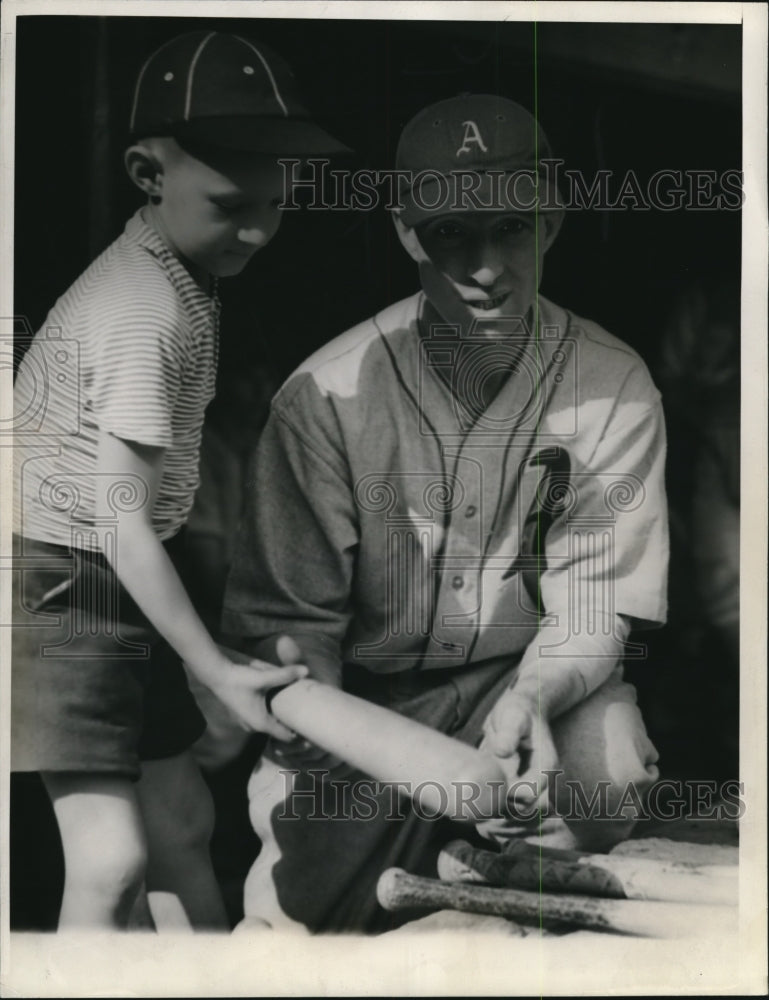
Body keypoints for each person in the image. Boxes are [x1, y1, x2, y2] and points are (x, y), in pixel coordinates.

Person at [222, 94, 668, 933]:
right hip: (368, 705)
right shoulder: (325, 395)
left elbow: (592, 603)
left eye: (511, 228)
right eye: (450, 234)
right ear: (404, 232)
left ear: (553, 217)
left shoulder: (614, 382)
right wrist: (389, 756)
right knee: (297, 935)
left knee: (601, 774)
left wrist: (535, 695)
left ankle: (493, 902)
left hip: (519, 679)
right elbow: (286, 638)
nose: (487, 266)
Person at [11, 30, 348, 931]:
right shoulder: (143, 309)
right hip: (53, 578)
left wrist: (205, 656)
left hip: (112, 573)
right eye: (230, 204)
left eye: (275, 206)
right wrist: (213, 670)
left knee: (181, 822)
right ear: (146, 170)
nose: (256, 230)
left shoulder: (179, 280)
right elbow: (118, 516)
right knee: (110, 857)